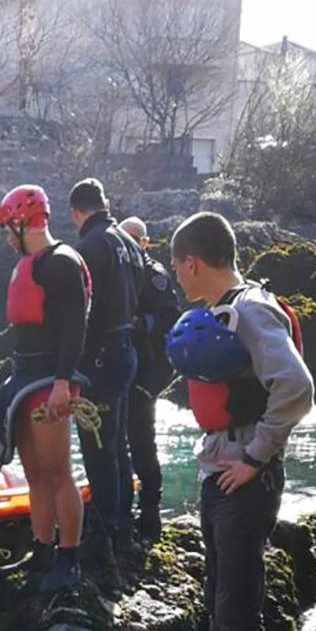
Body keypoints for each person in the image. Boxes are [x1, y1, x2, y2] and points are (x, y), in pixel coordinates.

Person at [167, 212, 312, 631]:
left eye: (175, 264)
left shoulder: (250, 310)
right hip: (219, 470)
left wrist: (254, 458)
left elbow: (296, 386)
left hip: (247, 477)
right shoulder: (224, 308)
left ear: (191, 263)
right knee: (217, 598)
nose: (174, 273)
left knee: (237, 607)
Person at [0, 184, 90, 593]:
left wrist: (63, 384)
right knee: (34, 474)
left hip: (52, 378)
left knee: (58, 473)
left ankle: (69, 559)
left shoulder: (62, 263)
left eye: (6, 228)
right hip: (24, 377)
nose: (4, 236)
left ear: (22, 222)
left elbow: (74, 329)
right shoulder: (27, 263)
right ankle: (42, 550)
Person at [69, 178, 144, 583]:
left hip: (98, 358)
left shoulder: (86, 249)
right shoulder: (130, 244)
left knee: (99, 449)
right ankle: (125, 531)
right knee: (118, 444)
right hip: (126, 350)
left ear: (76, 212)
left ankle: (106, 539)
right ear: (105, 204)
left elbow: (78, 312)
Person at [119, 215, 181, 541]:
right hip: (122, 366)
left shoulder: (154, 275)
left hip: (151, 366)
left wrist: (139, 322)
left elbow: (172, 317)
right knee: (117, 441)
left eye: (134, 239)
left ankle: (151, 513)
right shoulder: (115, 272)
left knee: (142, 439)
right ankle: (121, 508)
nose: (127, 244)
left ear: (145, 243)